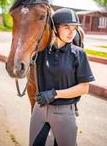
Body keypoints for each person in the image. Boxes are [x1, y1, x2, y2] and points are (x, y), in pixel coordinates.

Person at [29, 8, 95, 146]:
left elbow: (84, 88)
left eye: (75, 28)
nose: (72, 32)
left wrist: (55, 94)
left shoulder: (79, 54)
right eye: (66, 27)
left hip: (64, 113)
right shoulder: (41, 52)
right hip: (39, 111)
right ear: (55, 28)